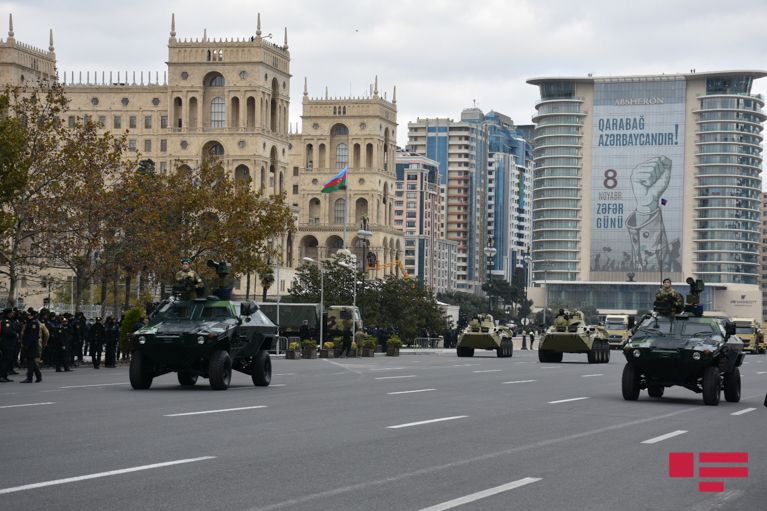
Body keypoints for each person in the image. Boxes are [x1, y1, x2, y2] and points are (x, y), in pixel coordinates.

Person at [19, 310, 48, 383]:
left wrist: (26, 345)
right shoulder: (30, 323)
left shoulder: (33, 323)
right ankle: (38, 376)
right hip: (31, 345)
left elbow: (31, 336)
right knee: (32, 361)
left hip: (31, 345)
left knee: (30, 362)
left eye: (29, 315)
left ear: (32, 315)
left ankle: (30, 377)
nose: (28, 316)